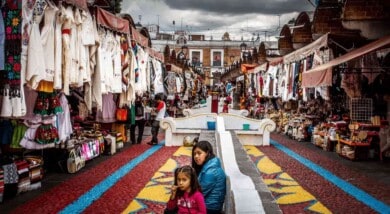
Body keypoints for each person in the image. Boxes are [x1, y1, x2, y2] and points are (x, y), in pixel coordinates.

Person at [192, 141, 226, 214]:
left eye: (199, 153)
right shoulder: (208, 167)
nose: (196, 156)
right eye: (194, 154)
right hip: (207, 205)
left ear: (207, 153)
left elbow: (200, 192)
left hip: (210, 208)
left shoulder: (211, 171)